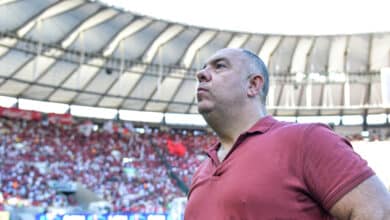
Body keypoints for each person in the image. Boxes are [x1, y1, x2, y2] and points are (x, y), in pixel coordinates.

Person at [184, 48, 390, 219]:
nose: (201, 74)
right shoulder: (202, 170)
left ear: (253, 85)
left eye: (219, 66)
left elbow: (378, 211)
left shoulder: (306, 140)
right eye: (203, 69)